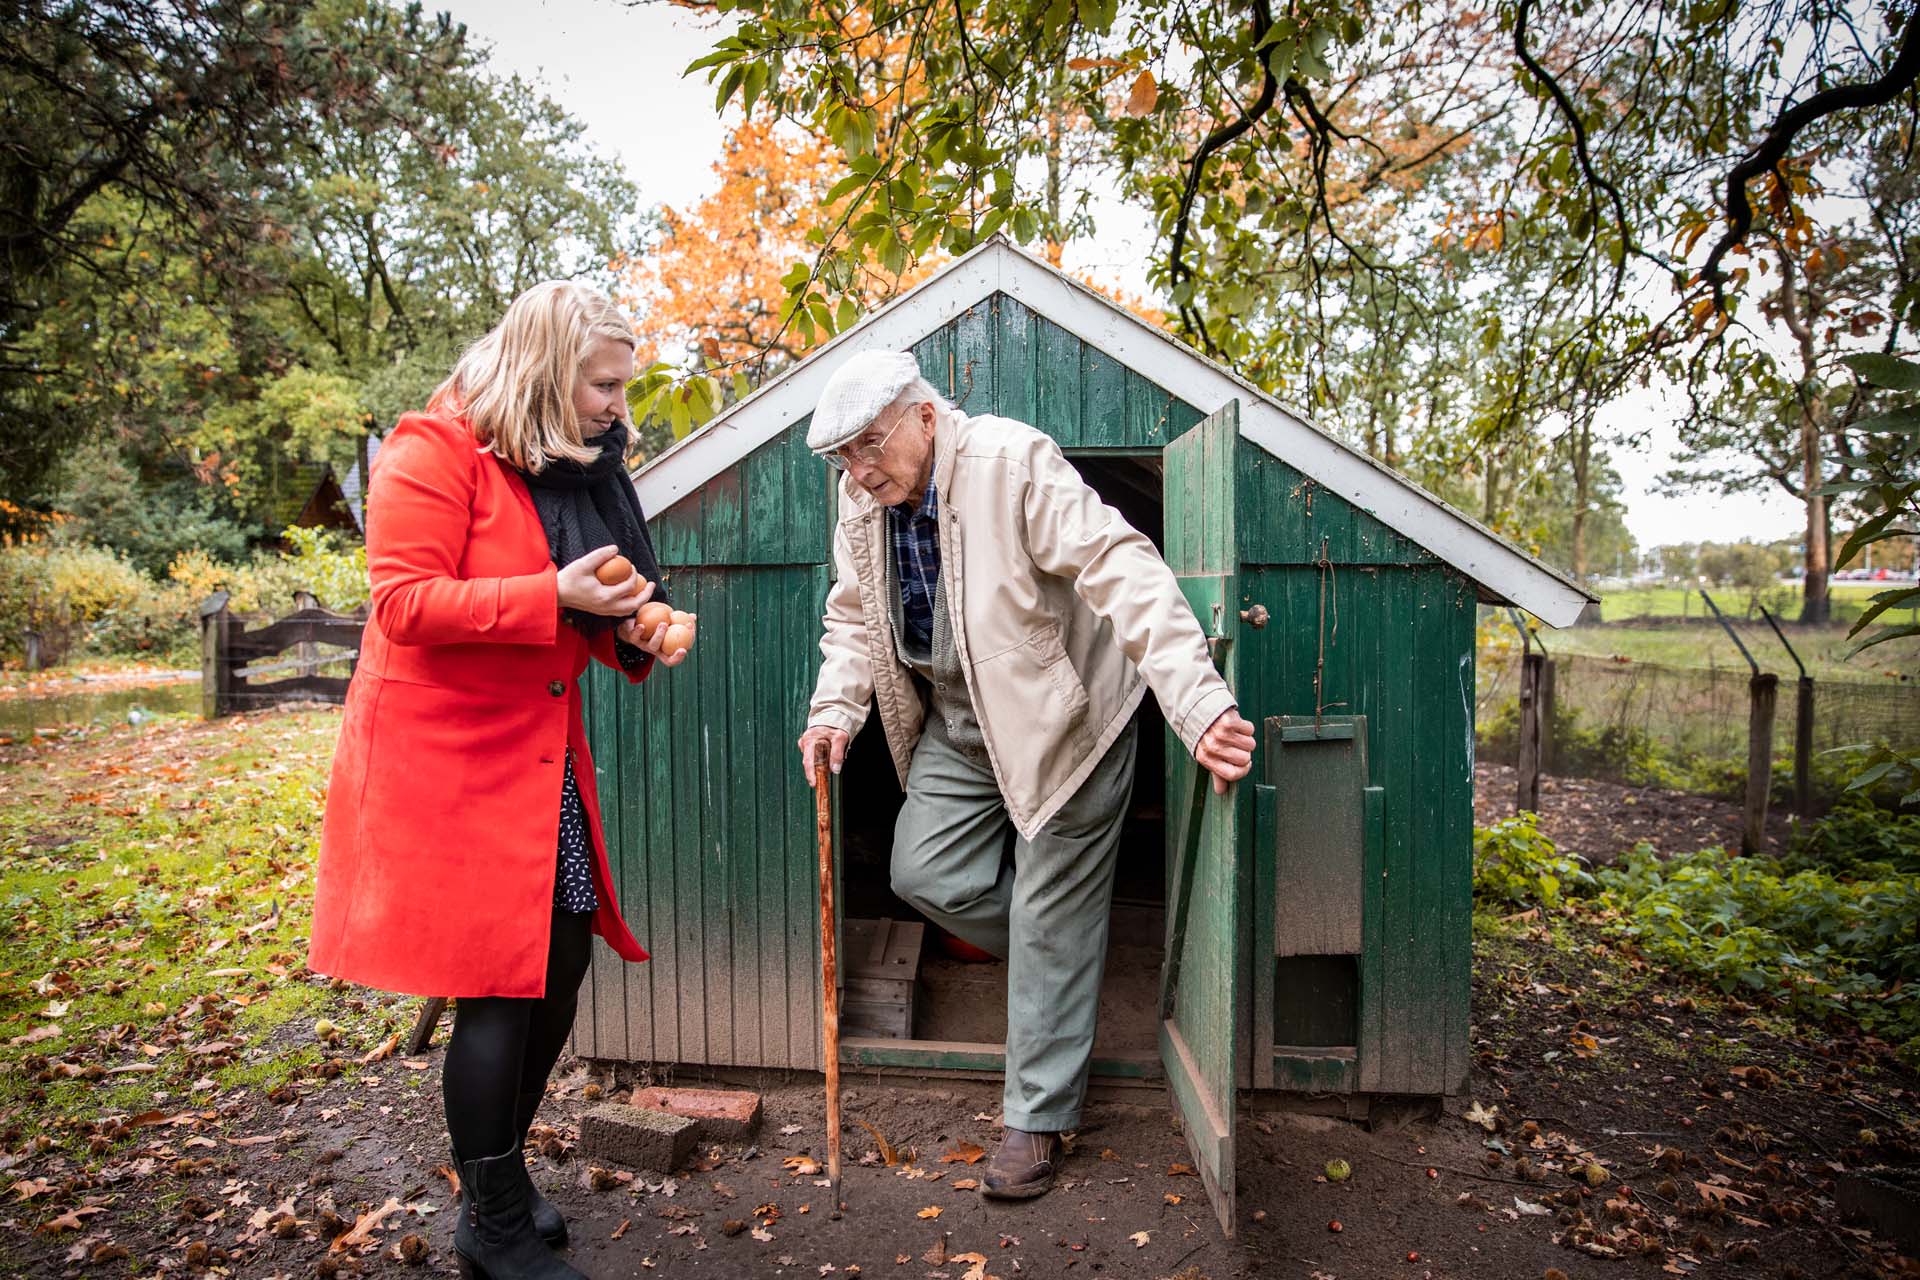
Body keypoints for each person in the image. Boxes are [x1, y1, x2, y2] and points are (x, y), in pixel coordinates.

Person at [795, 349, 1257, 1201]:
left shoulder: (1011, 462)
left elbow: (1125, 571)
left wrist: (1197, 706)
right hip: (961, 714)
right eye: (841, 459)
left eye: (868, 447)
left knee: (1051, 909)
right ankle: (1067, 956)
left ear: (925, 417)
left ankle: (1036, 1121)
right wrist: (834, 711)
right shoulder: (862, 503)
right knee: (923, 871)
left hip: (1067, 712)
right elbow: (854, 616)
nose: (857, 473)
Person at [309, 281, 694, 1280]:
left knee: (560, 966)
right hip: (446, 760)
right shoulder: (430, 450)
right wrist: (550, 594)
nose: (620, 405)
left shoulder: (556, 466)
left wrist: (636, 625)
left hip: (537, 753)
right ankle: (491, 1221)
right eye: (604, 383)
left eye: (624, 383)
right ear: (545, 368)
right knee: (497, 986)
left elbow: (577, 607)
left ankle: (500, 1173)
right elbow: (402, 602)